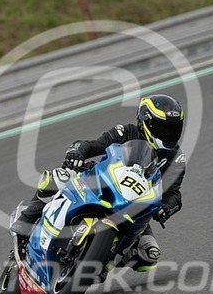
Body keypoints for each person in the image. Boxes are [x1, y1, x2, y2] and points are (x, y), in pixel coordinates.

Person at [11, 94, 186, 272]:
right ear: (146, 122)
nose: (169, 134)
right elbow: (94, 145)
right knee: (58, 177)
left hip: (135, 205)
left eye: (174, 128)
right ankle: (25, 221)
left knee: (149, 254)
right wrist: (77, 152)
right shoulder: (126, 132)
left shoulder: (176, 159)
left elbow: (174, 193)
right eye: (164, 128)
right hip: (99, 180)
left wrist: (167, 207)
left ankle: (103, 261)